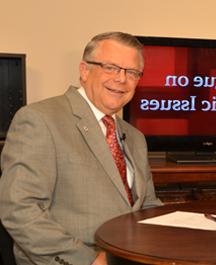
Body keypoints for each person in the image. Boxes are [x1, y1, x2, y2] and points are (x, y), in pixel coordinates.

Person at [0, 32, 163, 265]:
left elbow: (147, 206)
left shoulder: (135, 137)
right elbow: (20, 210)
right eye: (111, 67)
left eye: (132, 72)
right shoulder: (39, 119)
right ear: (85, 71)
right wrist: (88, 261)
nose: (122, 79)